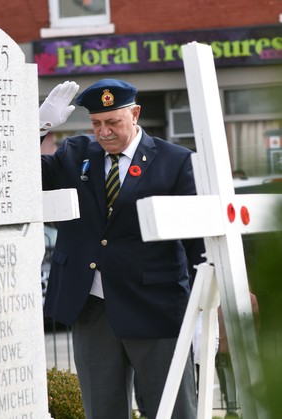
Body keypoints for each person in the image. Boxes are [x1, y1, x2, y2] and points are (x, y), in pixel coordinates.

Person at [40, 78, 206, 419]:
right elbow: (15, 176)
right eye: (96, 123)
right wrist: (36, 128)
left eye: (113, 122)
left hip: (154, 306)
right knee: (102, 411)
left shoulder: (175, 162)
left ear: (135, 114)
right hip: (91, 305)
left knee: (173, 409)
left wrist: (206, 304)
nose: (103, 132)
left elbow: (197, 236)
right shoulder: (74, 154)